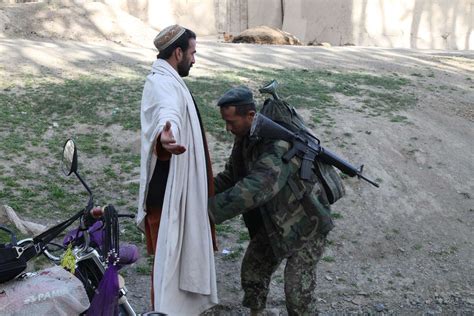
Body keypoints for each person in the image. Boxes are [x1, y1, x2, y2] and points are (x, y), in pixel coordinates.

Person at [208, 86, 335, 316]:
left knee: (297, 293)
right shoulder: (245, 138)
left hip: (308, 223)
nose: (227, 128)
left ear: (250, 116)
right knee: (254, 269)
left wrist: (208, 212)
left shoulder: (276, 143)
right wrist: (198, 192)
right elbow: (232, 176)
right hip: (277, 220)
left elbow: (258, 187)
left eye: (231, 122)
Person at [137, 24, 218, 315]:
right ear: (179, 52)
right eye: (193, 53)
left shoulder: (167, 79)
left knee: (172, 263)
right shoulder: (162, 83)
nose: (194, 60)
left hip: (175, 189)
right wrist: (165, 136)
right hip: (167, 194)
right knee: (167, 267)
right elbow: (167, 113)